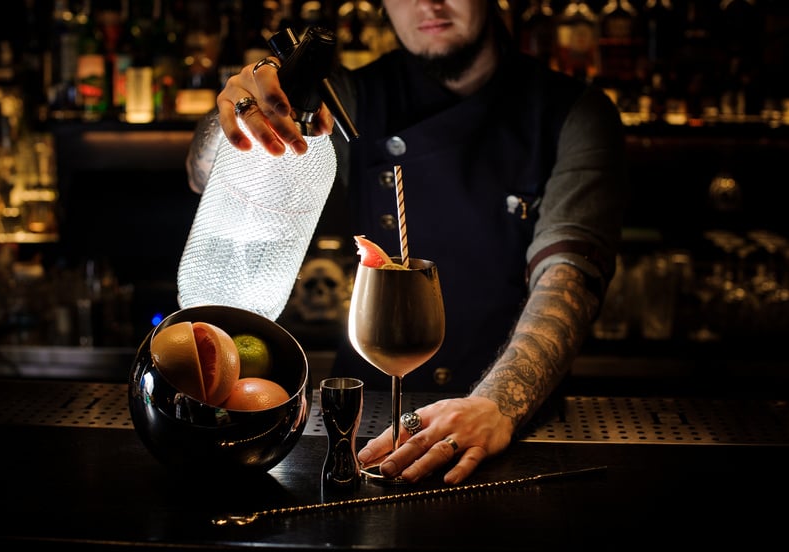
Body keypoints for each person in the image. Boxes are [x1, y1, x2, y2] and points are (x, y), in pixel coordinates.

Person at [186, 0, 627, 485]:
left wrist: (498, 404)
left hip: (513, 424)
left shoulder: (574, 113)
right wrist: (242, 108)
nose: (428, 3)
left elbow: (569, 274)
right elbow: (203, 175)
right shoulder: (347, 97)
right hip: (366, 422)